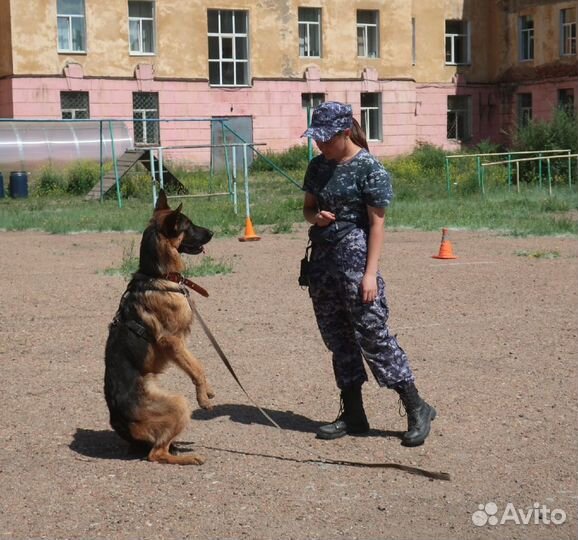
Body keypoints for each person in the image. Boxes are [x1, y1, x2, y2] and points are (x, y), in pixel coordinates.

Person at [301, 101, 435, 447]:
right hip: (323, 264)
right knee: (338, 339)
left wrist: (370, 274)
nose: (320, 145)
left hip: (356, 263)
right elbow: (307, 208)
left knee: (373, 335)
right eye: (316, 138)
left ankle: (416, 406)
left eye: (326, 139)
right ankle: (353, 414)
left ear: (345, 132)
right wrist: (316, 218)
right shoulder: (318, 166)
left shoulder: (370, 169)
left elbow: (377, 224)